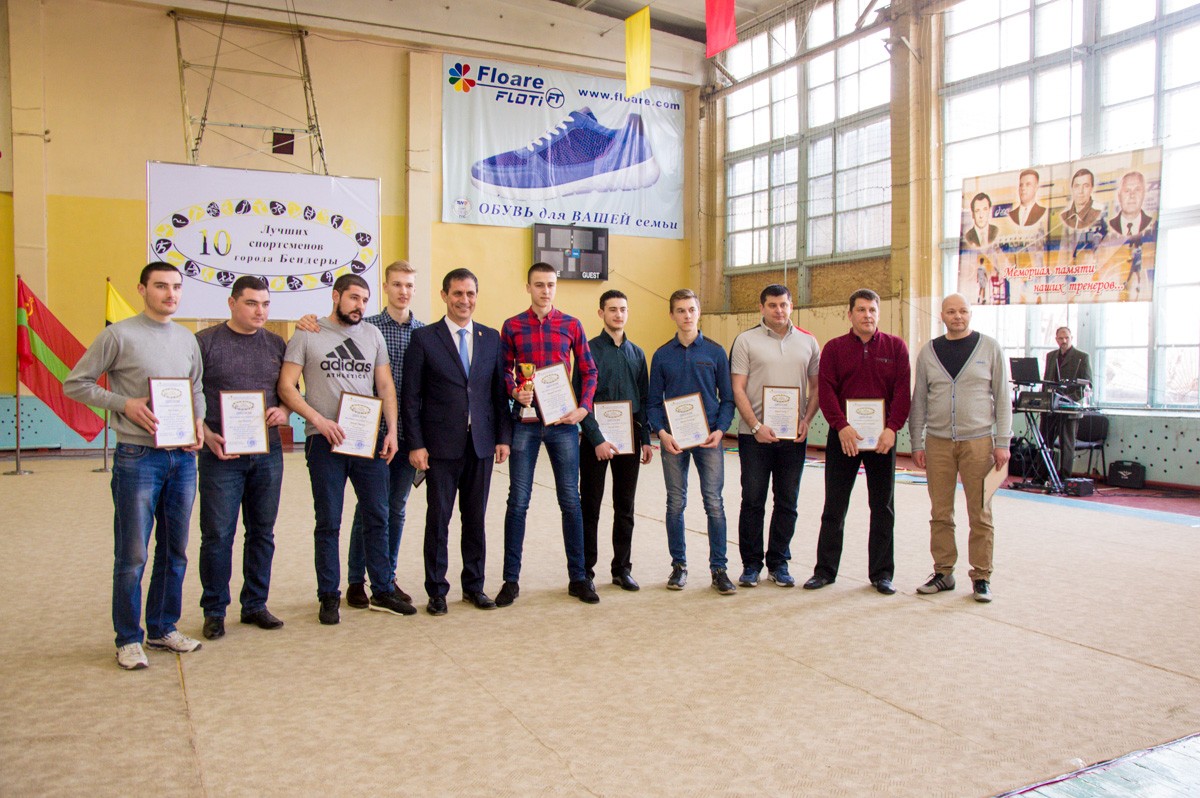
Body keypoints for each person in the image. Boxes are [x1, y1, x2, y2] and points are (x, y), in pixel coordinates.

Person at [65, 262, 206, 670]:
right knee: (132, 555)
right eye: (161, 286)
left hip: (183, 458)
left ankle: (163, 627)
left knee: (175, 550)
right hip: (138, 457)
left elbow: (196, 387)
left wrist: (198, 421)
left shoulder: (186, 338)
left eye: (176, 287)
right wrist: (123, 403)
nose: (170, 294)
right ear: (142, 290)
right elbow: (75, 383)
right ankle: (128, 638)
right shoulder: (118, 335)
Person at [277, 273, 414, 624]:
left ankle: (382, 589)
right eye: (353, 298)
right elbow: (287, 386)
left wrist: (391, 431)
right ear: (336, 296)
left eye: (364, 300)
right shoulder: (307, 333)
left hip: (365, 439)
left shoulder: (372, 335)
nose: (359, 306)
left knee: (378, 515)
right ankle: (328, 595)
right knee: (329, 521)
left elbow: (385, 385)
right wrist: (317, 420)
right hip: (323, 441)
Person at [403, 268, 512, 615]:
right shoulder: (424, 338)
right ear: (444, 296)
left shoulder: (490, 338)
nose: (464, 300)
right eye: (457, 294)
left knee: (475, 519)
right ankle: (437, 590)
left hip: (481, 445)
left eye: (470, 293)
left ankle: (474, 587)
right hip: (439, 447)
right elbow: (411, 397)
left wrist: (503, 437)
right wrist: (416, 444)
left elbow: (498, 395)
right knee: (439, 519)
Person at [498, 262, 599, 606]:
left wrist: (583, 408)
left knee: (570, 500)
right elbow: (503, 370)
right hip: (524, 423)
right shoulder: (512, 326)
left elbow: (589, 370)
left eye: (550, 285)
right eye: (539, 285)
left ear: (556, 287)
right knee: (518, 501)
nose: (545, 290)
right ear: (528, 287)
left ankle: (579, 578)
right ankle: (510, 580)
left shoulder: (572, 324)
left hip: (563, 424)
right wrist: (515, 391)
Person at [195, 276, 288, 640]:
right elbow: (190, 394)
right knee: (217, 534)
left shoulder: (276, 344)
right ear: (232, 303)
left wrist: (283, 411)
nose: (259, 311)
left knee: (262, 531)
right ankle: (214, 610)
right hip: (221, 452)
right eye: (251, 303)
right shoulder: (205, 342)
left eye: (265, 304)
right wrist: (206, 434)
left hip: (267, 452)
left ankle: (255, 605)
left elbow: (288, 392)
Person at [804, 288, 910, 595]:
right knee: (834, 506)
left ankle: (882, 574)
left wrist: (892, 428)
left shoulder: (896, 347)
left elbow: (903, 392)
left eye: (872, 310)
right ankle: (825, 571)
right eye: (861, 310)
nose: (867, 315)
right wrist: (841, 426)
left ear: (878, 313)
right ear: (849, 314)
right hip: (843, 438)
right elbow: (826, 391)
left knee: (883, 507)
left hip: (882, 440)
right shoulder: (834, 349)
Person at [909, 294, 1012, 603]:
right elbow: (919, 401)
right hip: (938, 443)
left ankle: (981, 576)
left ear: (970, 314)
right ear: (942, 315)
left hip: (979, 444)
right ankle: (943, 572)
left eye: (963, 311)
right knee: (940, 513)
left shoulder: (990, 348)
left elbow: (1003, 398)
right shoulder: (928, 352)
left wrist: (1003, 443)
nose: (958, 316)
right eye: (951, 311)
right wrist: (916, 442)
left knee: (980, 512)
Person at [647, 289, 737, 595]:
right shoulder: (662, 355)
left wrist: (721, 430)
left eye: (691, 310)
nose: (687, 315)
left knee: (714, 503)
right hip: (673, 440)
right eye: (681, 310)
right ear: (672, 315)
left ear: (699, 313)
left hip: (709, 438)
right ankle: (679, 566)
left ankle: (719, 569)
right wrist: (661, 433)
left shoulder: (715, 352)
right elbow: (652, 403)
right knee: (675, 503)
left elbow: (728, 399)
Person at [729, 284, 820, 589]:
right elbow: (738, 388)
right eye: (772, 305)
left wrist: (807, 420)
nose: (778, 310)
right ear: (762, 308)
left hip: (793, 437)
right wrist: (756, 426)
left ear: (791, 306)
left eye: (783, 304)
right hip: (754, 436)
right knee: (753, 500)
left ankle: (779, 563)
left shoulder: (808, 342)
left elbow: (817, 387)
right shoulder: (745, 341)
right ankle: (751, 564)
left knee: (787, 502)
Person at [574, 289, 653, 592]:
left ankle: (622, 568)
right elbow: (581, 398)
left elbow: (643, 399)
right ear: (601, 313)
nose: (618, 314)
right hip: (594, 440)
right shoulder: (588, 350)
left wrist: (645, 439)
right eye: (612, 309)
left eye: (623, 309)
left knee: (625, 506)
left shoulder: (637, 354)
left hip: (629, 439)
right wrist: (596, 439)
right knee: (590, 506)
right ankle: (585, 571)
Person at [1040, 326, 1092, 479]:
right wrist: (1044, 399)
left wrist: (1068, 399)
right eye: (1061, 338)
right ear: (1056, 339)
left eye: (1067, 338)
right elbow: (1047, 380)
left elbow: (1087, 385)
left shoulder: (1082, 357)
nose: (1064, 341)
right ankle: (1042, 476)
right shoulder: (1051, 356)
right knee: (1045, 442)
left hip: (1069, 409)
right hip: (1050, 407)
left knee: (1067, 445)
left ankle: (1064, 478)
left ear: (1071, 338)